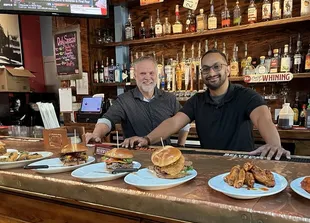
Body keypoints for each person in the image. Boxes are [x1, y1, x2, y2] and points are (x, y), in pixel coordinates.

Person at [122, 49, 291, 160]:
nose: (211, 73)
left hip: (243, 164)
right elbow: (174, 122)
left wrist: (274, 145)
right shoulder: (198, 100)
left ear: (227, 69)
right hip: (209, 165)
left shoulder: (245, 95)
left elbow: (263, 118)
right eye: (206, 69)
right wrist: (146, 139)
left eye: (217, 67)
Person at [86, 56, 189, 146]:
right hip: (135, 156)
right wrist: (96, 134)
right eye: (143, 73)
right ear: (135, 76)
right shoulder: (124, 100)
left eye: (151, 73)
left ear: (157, 74)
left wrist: (181, 145)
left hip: (164, 154)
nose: (148, 77)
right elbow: (107, 120)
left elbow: (184, 122)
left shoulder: (169, 98)